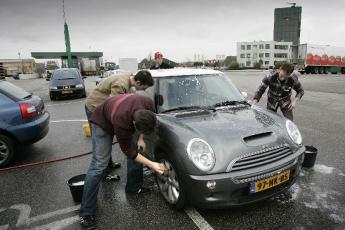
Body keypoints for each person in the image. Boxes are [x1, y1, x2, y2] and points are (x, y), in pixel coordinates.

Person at [80, 94, 166, 229]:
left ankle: (133, 187)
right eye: (139, 131)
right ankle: (86, 212)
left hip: (121, 112)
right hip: (102, 122)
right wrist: (152, 164)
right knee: (98, 166)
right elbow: (129, 152)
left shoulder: (148, 103)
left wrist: (141, 138)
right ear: (133, 124)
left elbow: (142, 130)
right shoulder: (121, 121)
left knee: (138, 149)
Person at [84, 70, 154, 179]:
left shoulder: (129, 79)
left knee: (106, 140)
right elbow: (115, 108)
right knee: (102, 141)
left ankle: (108, 163)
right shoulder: (121, 85)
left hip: (103, 108)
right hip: (94, 107)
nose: (144, 90)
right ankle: (104, 172)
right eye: (144, 87)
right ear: (138, 83)